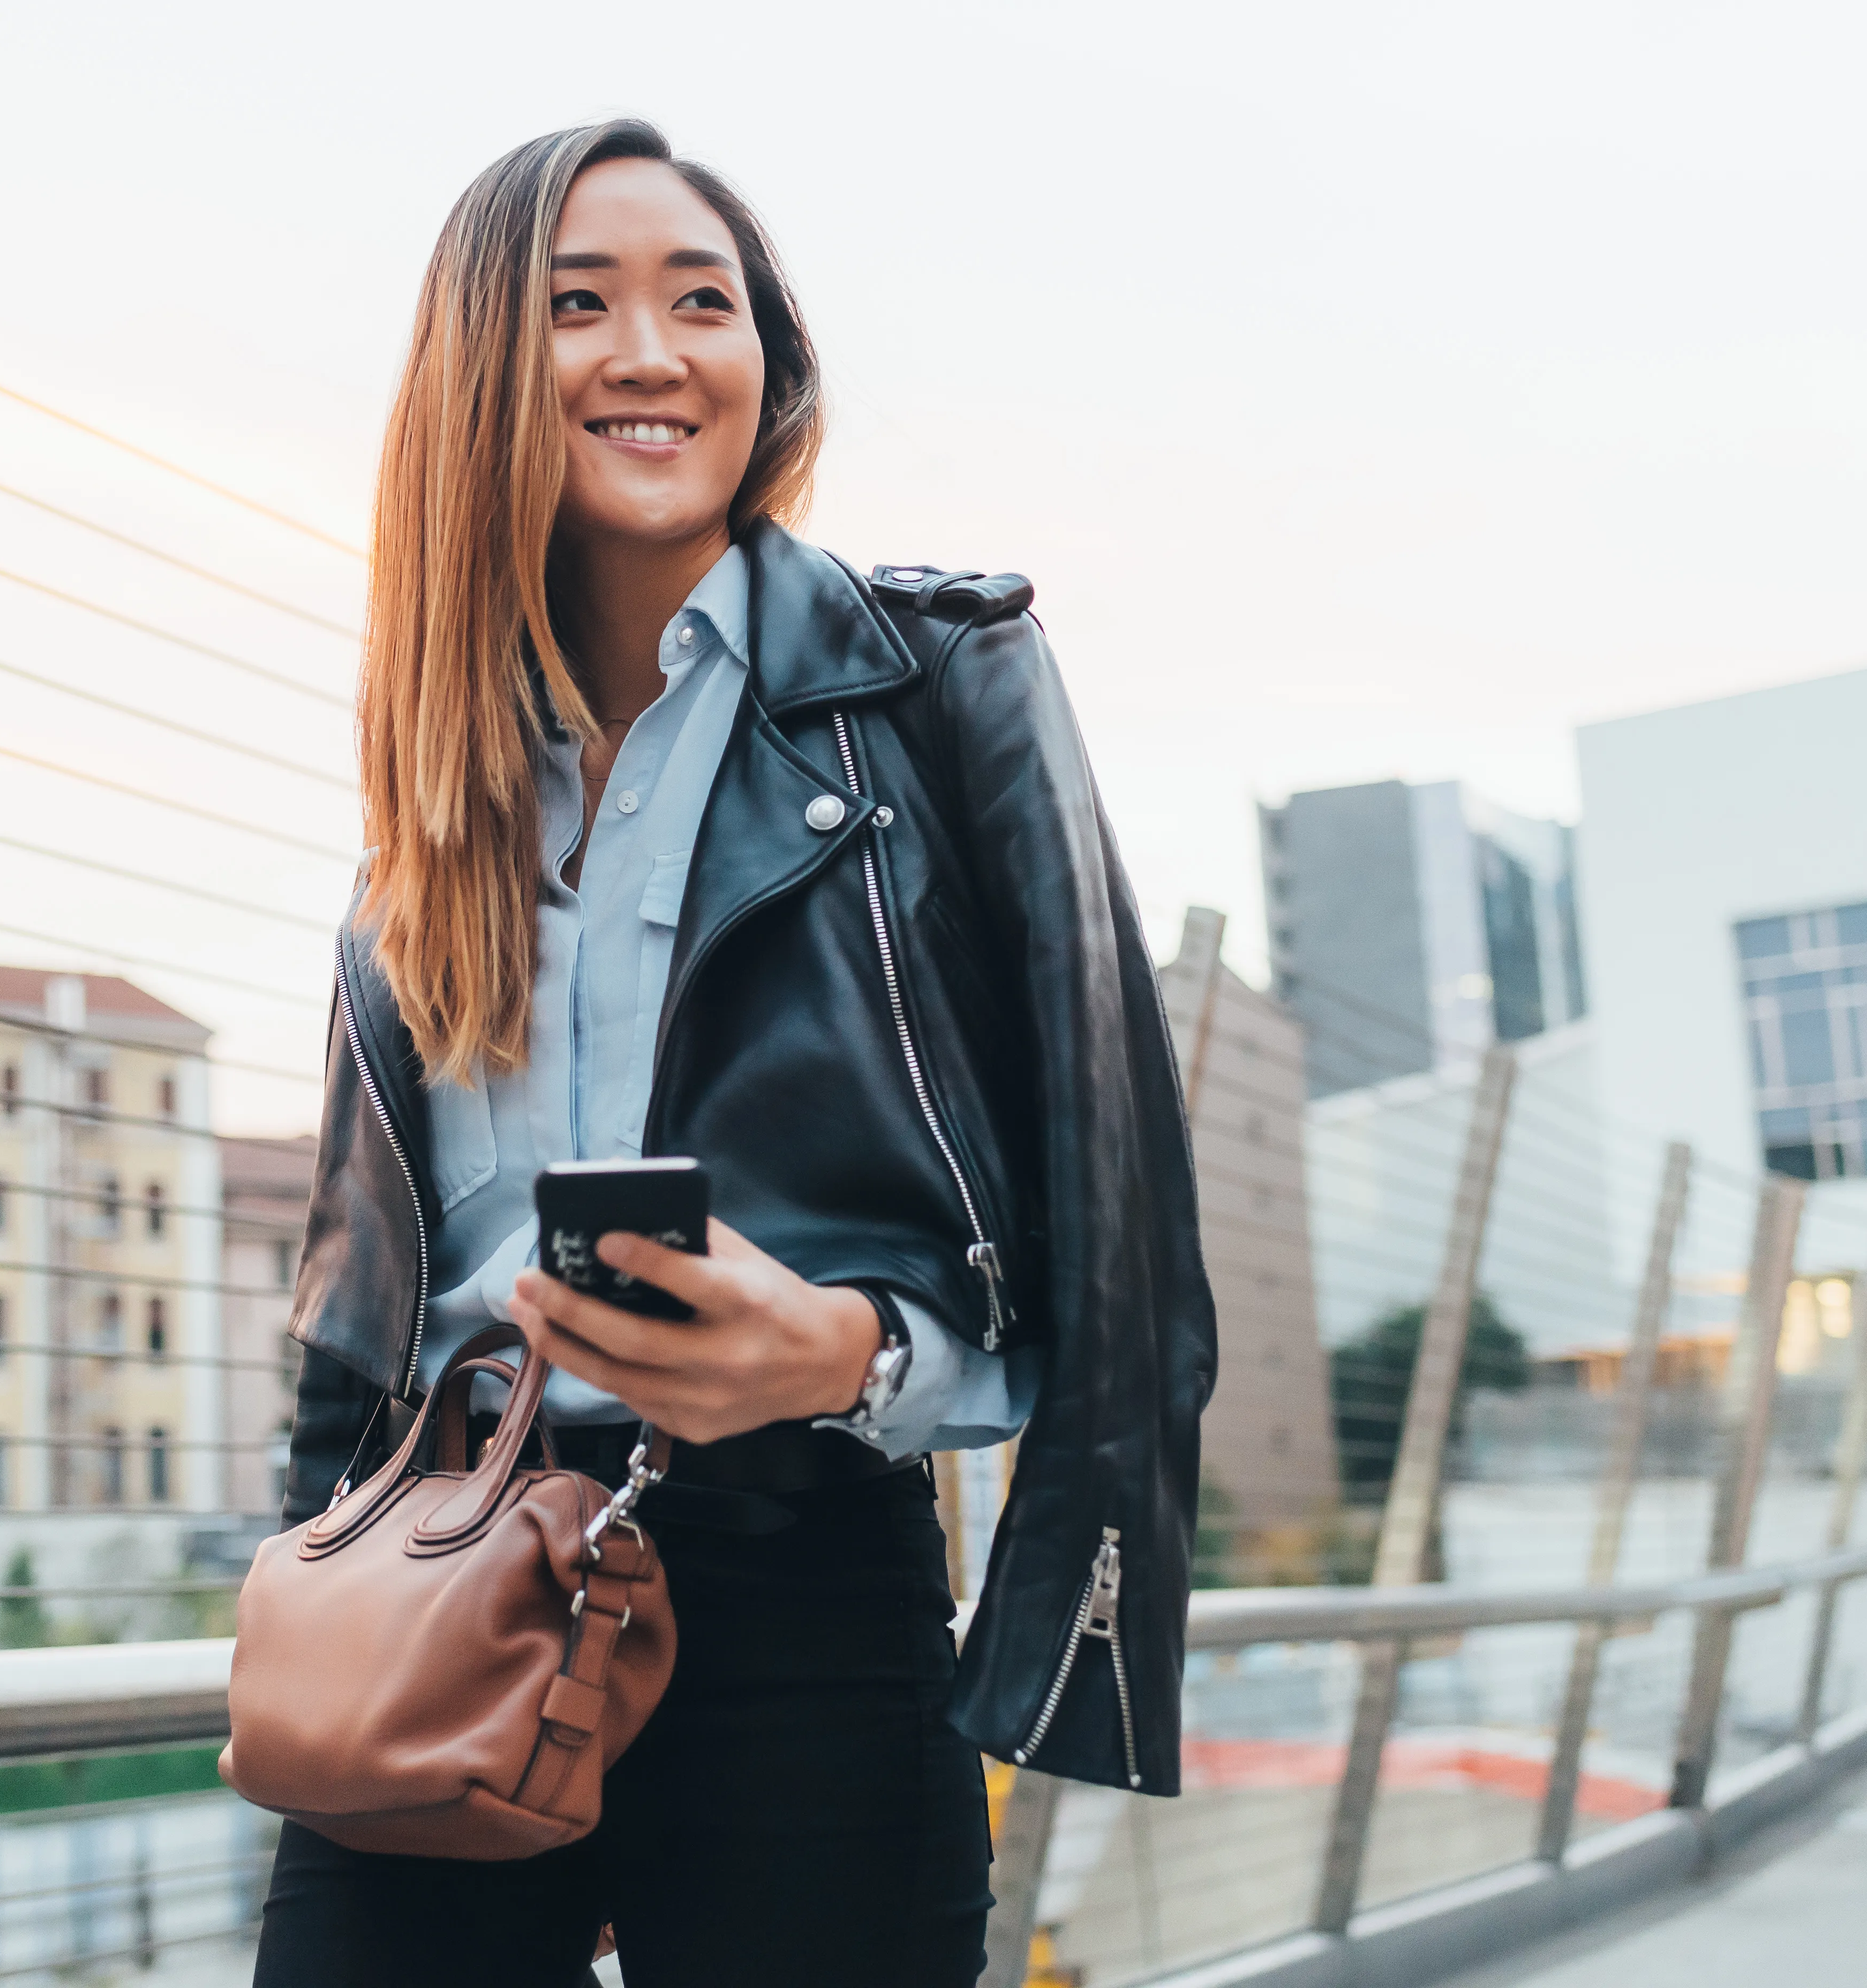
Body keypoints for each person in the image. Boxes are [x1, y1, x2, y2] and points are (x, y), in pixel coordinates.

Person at [255, 117, 1215, 1987]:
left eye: (707, 302)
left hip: (808, 1598)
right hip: (445, 1585)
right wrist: (300, 1575)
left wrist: (845, 1357)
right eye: (579, 303)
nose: (653, 351)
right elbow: (359, 1294)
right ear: (477, 369)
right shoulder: (434, 787)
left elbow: (1117, 1226)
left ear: (765, 363)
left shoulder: (940, 687)